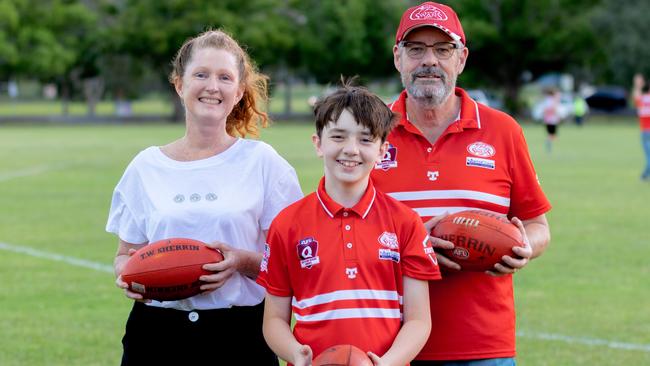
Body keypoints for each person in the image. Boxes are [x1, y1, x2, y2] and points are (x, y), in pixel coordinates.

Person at [106, 30, 303, 365]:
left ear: (239, 91)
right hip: (155, 335)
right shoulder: (145, 166)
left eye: (225, 77)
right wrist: (128, 274)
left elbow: (294, 266)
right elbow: (125, 255)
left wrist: (241, 261)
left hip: (240, 336)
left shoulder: (264, 163)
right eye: (201, 74)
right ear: (179, 84)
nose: (213, 86)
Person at [371, 2, 552, 365]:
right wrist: (411, 246)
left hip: (486, 346)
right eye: (416, 49)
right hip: (389, 346)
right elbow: (341, 230)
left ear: (462, 58)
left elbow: (537, 225)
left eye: (443, 49)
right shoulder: (367, 131)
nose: (430, 61)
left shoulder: (503, 130)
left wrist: (524, 247)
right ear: (397, 57)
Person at [257, 82, 441, 366]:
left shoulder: (405, 222)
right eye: (338, 137)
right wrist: (296, 353)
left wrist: (388, 363)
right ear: (318, 144)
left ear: (382, 151)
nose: (351, 150)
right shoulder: (287, 224)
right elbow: (273, 320)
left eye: (366, 140)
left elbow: (418, 320)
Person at [632, 73, 650, 181]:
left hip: (645, 132)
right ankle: (644, 176)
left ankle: (644, 176)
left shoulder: (642, 99)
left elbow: (636, 95)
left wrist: (638, 85)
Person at [541, 88, 562, 152]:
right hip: (552, 120)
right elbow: (552, 109)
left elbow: (545, 110)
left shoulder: (547, 100)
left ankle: (549, 143)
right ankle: (548, 143)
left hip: (548, 120)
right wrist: (557, 116)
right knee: (552, 134)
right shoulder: (551, 100)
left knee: (551, 134)